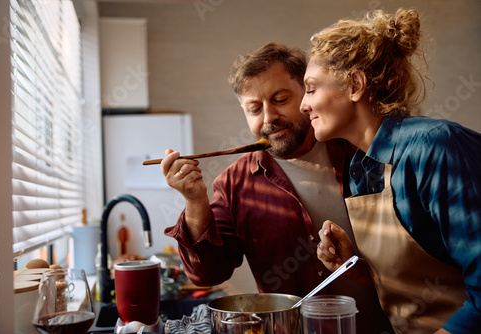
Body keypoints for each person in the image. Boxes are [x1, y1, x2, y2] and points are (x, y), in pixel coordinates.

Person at [161, 42, 393, 333]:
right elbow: (207, 274)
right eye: (254, 108)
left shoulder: (359, 153)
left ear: (307, 94)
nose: (269, 118)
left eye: (281, 99)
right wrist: (194, 201)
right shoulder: (234, 184)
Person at [300, 8, 481, 334]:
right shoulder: (361, 169)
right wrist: (352, 266)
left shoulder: (435, 147)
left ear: (354, 84)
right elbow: (412, 286)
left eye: (311, 88)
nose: (303, 105)